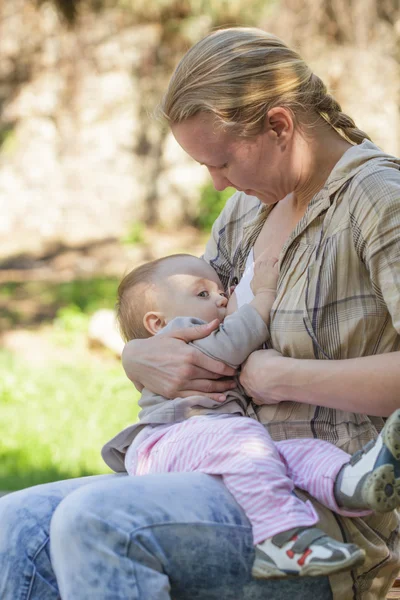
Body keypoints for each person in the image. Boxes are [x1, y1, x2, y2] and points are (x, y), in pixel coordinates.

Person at [0, 26, 399, 600]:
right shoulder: (246, 211)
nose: (215, 183)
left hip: (321, 513)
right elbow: (185, 323)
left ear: (280, 126)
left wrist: (283, 376)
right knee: (16, 525)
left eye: (222, 161)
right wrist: (137, 354)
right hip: (213, 475)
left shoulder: (380, 202)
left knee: (98, 522)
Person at [102, 250, 400, 579]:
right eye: (203, 294)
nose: (220, 298)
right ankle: (279, 539)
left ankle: (350, 481)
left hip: (211, 441)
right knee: (248, 444)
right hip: (167, 441)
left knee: (294, 452)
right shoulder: (179, 337)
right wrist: (265, 295)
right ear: (157, 324)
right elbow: (231, 341)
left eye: (221, 290)